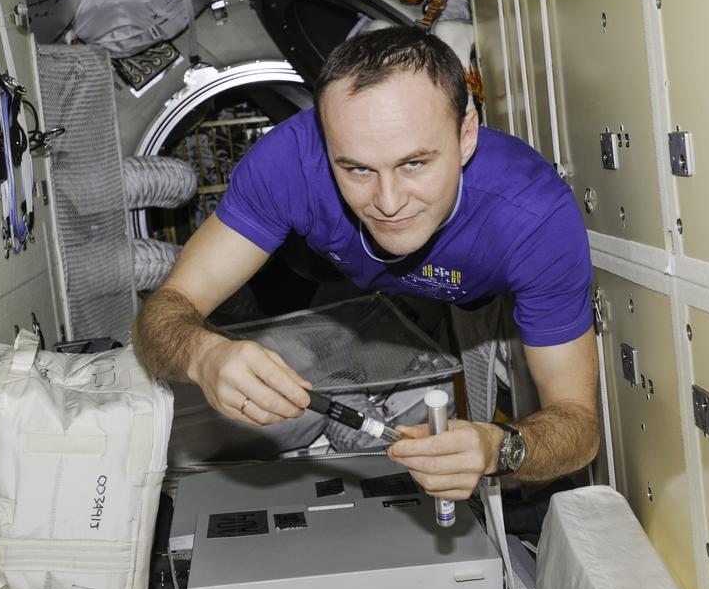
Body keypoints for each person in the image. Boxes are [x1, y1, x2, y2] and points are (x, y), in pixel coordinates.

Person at [134, 26, 599, 501]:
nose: (389, 201)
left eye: (414, 163)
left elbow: (579, 426)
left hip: (476, 285)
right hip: (333, 266)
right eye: (357, 168)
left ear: (465, 137)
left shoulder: (534, 218)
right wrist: (203, 356)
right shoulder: (289, 165)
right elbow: (164, 311)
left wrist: (501, 448)